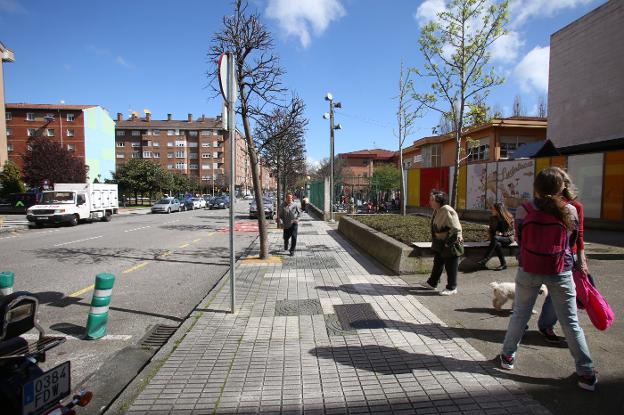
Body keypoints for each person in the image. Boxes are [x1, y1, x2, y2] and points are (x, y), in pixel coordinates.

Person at [499, 167, 597, 391]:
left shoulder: (524, 210)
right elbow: (571, 242)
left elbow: (520, 239)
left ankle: (507, 356)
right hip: (560, 270)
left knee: (520, 314)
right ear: (562, 187)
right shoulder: (570, 210)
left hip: (529, 269)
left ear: (536, 187)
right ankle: (586, 373)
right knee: (570, 322)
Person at [537, 167, 588, 343]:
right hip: (547, 257)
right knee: (560, 296)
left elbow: (578, 235)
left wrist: (581, 260)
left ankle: (547, 325)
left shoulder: (574, 207)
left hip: (564, 258)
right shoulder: (542, 205)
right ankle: (548, 325)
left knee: (562, 296)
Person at [421, 190, 463, 296]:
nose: (430, 202)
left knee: (451, 265)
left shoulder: (446, 209)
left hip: (450, 243)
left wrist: (449, 243)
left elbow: (456, 228)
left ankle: (452, 287)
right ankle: (432, 282)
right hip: (441, 243)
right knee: (438, 262)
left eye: (432, 200)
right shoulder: (438, 210)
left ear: (439, 201)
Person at [477, 201, 515, 270]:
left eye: (493, 209)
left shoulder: (509, 218)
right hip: (497, 239)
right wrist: (489, 237)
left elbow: (513, 231)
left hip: (508, 238)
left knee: (495, 238)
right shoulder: (492, 218)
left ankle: (485, 258)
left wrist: (502, 234)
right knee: (497, 244)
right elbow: (491, 229)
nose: (491, 210)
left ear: (498, 210)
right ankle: (503, 264)